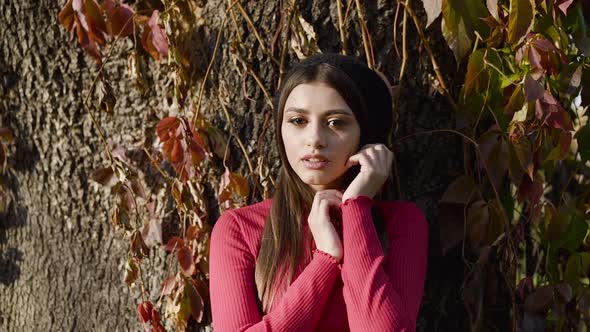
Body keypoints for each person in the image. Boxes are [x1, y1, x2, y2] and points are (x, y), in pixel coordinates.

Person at [209, 53, 428, 331]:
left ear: (367, 136)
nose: (314, 139)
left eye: (336, 122)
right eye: (298, 121)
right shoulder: (239, 229)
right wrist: (325, 261)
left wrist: (356, 207)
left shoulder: (402, 223)